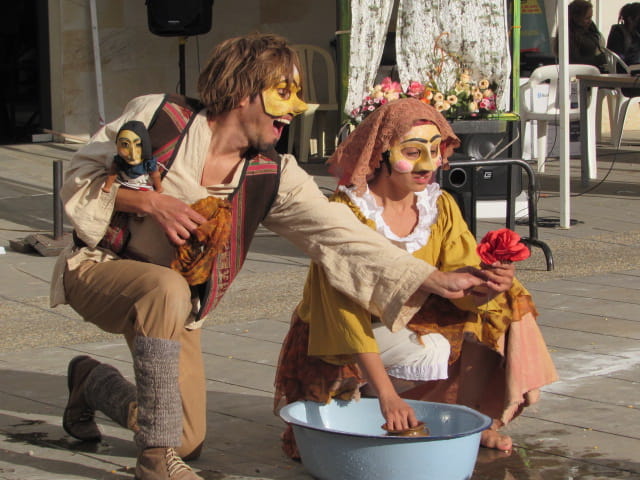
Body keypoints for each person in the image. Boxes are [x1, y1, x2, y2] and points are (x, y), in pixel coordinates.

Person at [50, 34, 487, 480]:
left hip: (176, 306)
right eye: (283, 92)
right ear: (242, 92)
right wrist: (148, 203)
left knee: (187, 439)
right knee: (166, 296)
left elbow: (342, 236)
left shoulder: (273, 174)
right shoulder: (162, 117)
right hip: (99, 269)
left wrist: (429, 278)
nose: (295, 107)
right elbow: (76, 178)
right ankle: (155, 463)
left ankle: (93, 383)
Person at [274, 98, 558, 458]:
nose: (428, 164)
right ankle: (376, 398)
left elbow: (462, 284)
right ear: (382, 153)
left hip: (412, 322)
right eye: (412, 151)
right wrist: (387, 396)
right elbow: (342, 314)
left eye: (436, 149)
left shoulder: (439, 207)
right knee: (424, 350)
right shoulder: (344, 214)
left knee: (507, 303)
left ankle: (474, 419)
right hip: (339, 338)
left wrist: (488, 287)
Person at [567, 0, 607, 70]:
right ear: (576, 17)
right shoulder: (569, 34)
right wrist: (597, 60)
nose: (590, 21)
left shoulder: (590, 29)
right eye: (587, 18)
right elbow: (574, 61)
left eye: (591, 18)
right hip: (580, 72)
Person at [607, 2, 640, 67]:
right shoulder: (618, 32)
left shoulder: (636, 32)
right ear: (630, 19)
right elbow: (618, 57)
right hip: (625, 68)